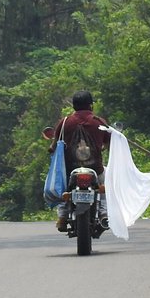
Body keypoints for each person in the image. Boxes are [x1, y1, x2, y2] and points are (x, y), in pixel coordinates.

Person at [49, 90, 110, 232]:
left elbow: (54, 145)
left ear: (74, 106)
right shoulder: (99, 122)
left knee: (63, 184)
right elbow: (108, 142)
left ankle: (62, 216)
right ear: (91, 105)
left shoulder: (65, 123)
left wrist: (51, 149)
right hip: (95, 167)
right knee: (105, 183)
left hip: (71, 168)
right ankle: (103, 212)